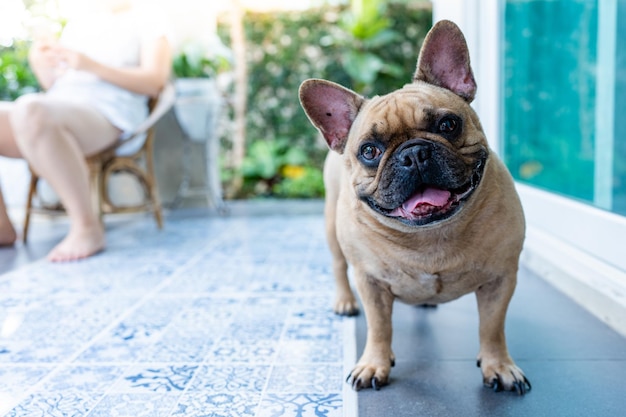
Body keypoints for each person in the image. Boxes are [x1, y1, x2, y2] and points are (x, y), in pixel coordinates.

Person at [0, 0, 171, 261]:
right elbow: (54, 84)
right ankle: (2, 228)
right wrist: (40, 61)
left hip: (109, 113)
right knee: (30, 110)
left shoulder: (148, 17)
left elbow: (154, 82)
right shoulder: (83, 20)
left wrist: (90, 65)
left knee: (31, 110)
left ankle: (87, 227)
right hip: (62, 105)